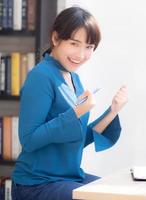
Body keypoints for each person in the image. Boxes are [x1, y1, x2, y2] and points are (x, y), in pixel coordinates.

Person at [11, 6, 128, 200]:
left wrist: (112, 112)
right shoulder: (41, 77)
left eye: (89, 47)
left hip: (67, 178)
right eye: (74, 44)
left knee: (118, 192)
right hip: (36, 184)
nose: (81, 55)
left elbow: (75, 138)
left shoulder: (74, 79)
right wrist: (77, 111)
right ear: (56, 39)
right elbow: (29, 140)